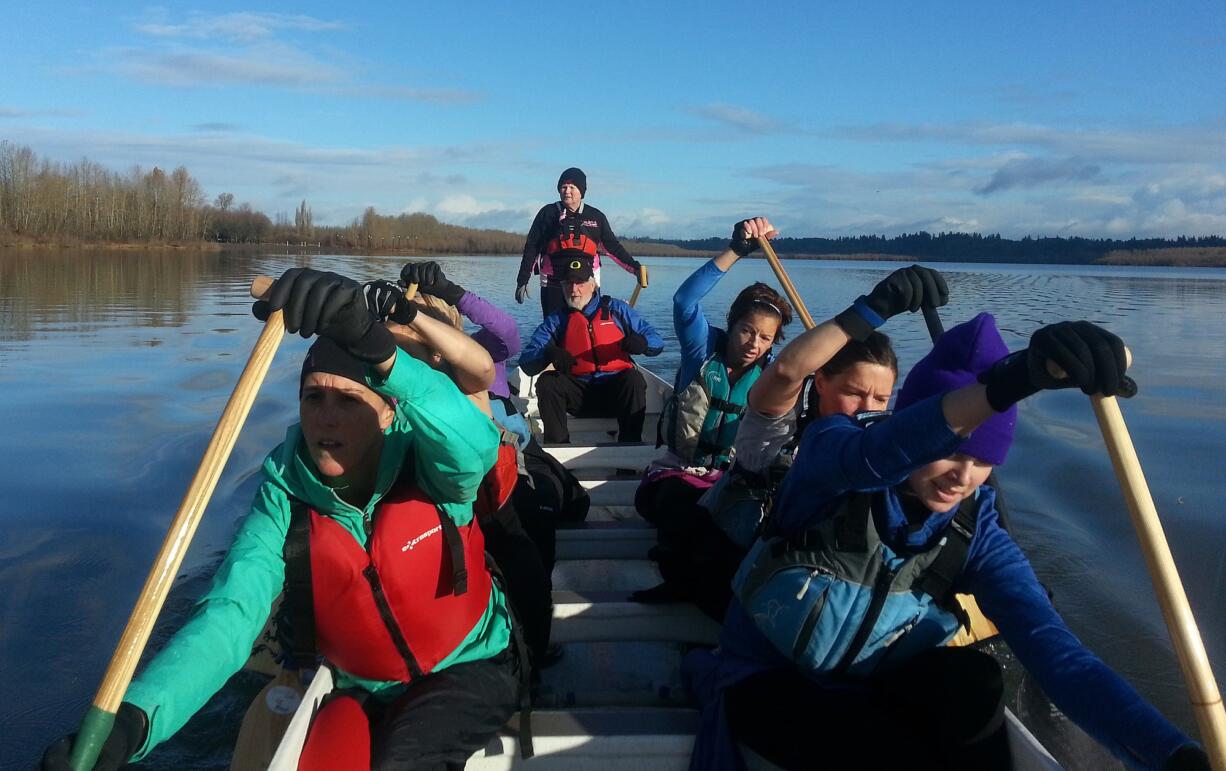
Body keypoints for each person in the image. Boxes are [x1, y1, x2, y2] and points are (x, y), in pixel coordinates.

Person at [44, 268, 523, 771]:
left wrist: (380, 353)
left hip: (466, 666)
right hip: (357, 685)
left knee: (402, 759)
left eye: (349, 400)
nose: (327, 417)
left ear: (387, 413)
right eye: (314, 396)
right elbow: (230, 614)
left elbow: (477, 446)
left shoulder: (428, 460)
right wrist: (134, 721)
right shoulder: (284, 490)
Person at [684, 313, 1209, 771]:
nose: (963, 476)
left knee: (977, 683)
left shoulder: (974, 530)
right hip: (770, 679)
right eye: (953, 452)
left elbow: (1059, 656)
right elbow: (874, 455)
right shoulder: (834, 454)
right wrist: (1008, 385)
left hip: (875, 685)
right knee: (899, 754)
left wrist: (1173, 753)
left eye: (984, 461)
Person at [369, 261, 559, 670]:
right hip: (448, 492)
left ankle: (534, 646)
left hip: (511, 460)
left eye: (421, 329)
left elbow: (507, 332)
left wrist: (451, 291)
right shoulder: (393, 373)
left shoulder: (477, 362)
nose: (413, 344)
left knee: (544, 510)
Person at [631, 217, 794, 616]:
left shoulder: (775, 377)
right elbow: (685, 301)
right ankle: (681, 578)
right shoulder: (701, 352)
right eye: (746, 330)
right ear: (732, 324)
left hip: (732, 481)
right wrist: (736, 250)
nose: (753, 343)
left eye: (765, 337)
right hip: (678, 472)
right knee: (683, 506)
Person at [518, 251, 664, 444]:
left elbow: (657, 341)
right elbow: (526, 361)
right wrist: (548, 352)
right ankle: (557, 448)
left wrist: (643, 343)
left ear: (593, 284)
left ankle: (629, 448)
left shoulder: (617, 310)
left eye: (580, 283)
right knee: (547, 382)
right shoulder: (556, 320)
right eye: (568, 283)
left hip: (615, 394)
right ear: (561, 287)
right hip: (577, 396)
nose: (574, 289)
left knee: (634, 379)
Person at [515, 167, 646, 317]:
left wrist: (636, 269)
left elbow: (613, 248)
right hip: (553, 283)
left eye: (572, 187)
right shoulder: (547, 213)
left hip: (587, 283)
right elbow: (532, 247)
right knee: (554, 329)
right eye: (563, 187)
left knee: (586, 327)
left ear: (581, 191)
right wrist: (522, 280)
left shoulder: (596, 217)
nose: (567, 191)